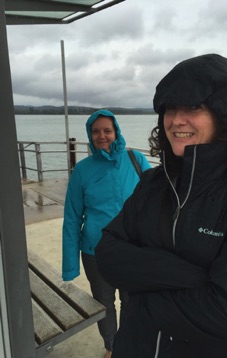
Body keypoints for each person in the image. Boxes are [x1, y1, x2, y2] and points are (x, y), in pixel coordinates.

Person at [95, 54, 227, 358]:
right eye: (170, 108)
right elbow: (107, 253)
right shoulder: (153, 183)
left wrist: (141, 291)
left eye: (193, 107)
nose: (176, 120)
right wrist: (197, 278)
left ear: (224, 115)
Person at [62, 109, 151, 358]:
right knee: (104, 303)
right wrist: (70, 265)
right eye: (96, 131)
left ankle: (130, 343)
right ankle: (111, 346)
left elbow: (154, 202)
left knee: (132, 301)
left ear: (116, 132)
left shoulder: (136, 159)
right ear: (90, 135)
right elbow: (71, 218)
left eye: (107, 130)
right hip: (95, 251)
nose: (102, 136)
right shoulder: (82, 170)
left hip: (132, 249)